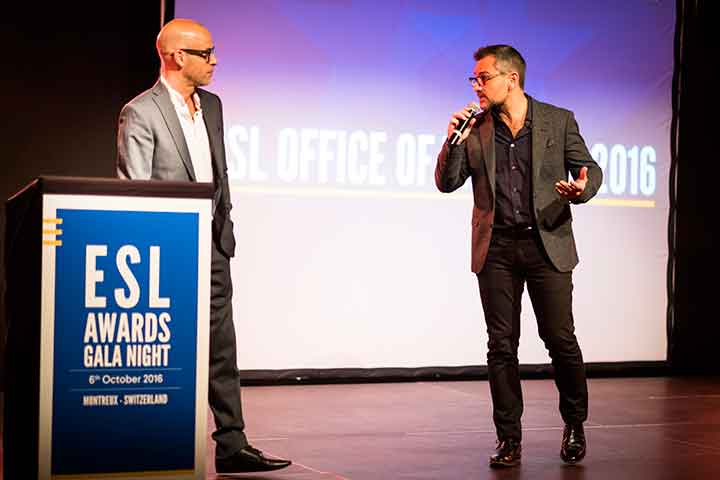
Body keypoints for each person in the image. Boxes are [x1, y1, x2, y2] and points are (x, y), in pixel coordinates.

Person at [116, 18, 291, 474]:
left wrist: (223, 223)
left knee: (222, 347)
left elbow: (217, 172)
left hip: (212, 244)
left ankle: (232, 444)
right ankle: (156, 442)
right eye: (205, 53)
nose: (214, 61)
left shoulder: (212, 105)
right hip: (166, 251)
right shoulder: (141, 112)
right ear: (177, 57)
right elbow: (134, 190)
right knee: (167, 347)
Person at [435, 45, 602, 468]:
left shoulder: (558, 120)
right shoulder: (475, 127)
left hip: (545, 244)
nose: (477, 86)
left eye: (483, 78)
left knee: (560, 340)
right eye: (473, 79)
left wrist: (583, 188)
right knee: (501, 345)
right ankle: (509, 438)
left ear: (511, 79)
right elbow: (447, 182)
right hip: (496, 249)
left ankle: (575, 424)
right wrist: (452, 141)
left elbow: (589, 169)